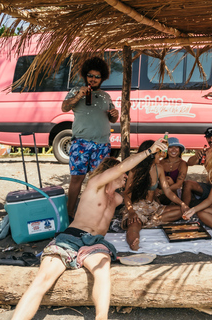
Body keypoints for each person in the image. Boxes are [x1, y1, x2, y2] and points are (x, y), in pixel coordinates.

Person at [11, 138, 166, 320]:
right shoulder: (95, 185)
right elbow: (123, 167)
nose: (126, 177)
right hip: (71, 238)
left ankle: (101, 318)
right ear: (110, 173)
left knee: (102, 272)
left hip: (95, 243)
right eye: (123, 174)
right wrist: (149, 151)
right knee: (42, 280)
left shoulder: (116, 199)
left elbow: (133, 190)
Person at [61, 57, 119, 219]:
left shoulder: (106, 96)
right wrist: (79, 95)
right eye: (90, 75)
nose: (93, 79)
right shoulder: (75, 91)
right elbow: (64, 107)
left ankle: (94, 213)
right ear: (85, 76)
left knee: (98, 181)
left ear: (103, 78)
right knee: (76, 178)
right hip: (80, 143)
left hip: (102, 145)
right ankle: (69, 213)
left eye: (97, 76)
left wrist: (115, 115)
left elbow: (112, 119)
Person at [121, 140, 190, 250]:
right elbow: (126, 194)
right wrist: (131, 212)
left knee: (181, 210)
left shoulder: (159, 168)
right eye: (159, 153)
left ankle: (147, 222)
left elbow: (167, 191)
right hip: (137, 208)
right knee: (133, 224)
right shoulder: (135, 170)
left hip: (153, 207)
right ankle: (133, 242)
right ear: (151, 155)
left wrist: (182, 204)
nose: (162, 155)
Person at [182, 127, 212, 205]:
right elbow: (189, 163)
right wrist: (196, 156)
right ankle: (184, 210)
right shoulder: (205, 153)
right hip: (210, 187)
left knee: (206, 207)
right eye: (208, 137)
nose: (211, 140)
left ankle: (208, 205)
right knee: (187, 183)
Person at [157, 137, 188, 204]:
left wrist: (161, 191)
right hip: (159, 190)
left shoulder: (182, 164)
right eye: (170, 147)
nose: (174, 150)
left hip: (174, 193)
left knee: (168, 180)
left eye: (176, 147)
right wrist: (159, 155)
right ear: (166, 149)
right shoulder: (161, 162)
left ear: (179, 150)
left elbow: (178, 185)